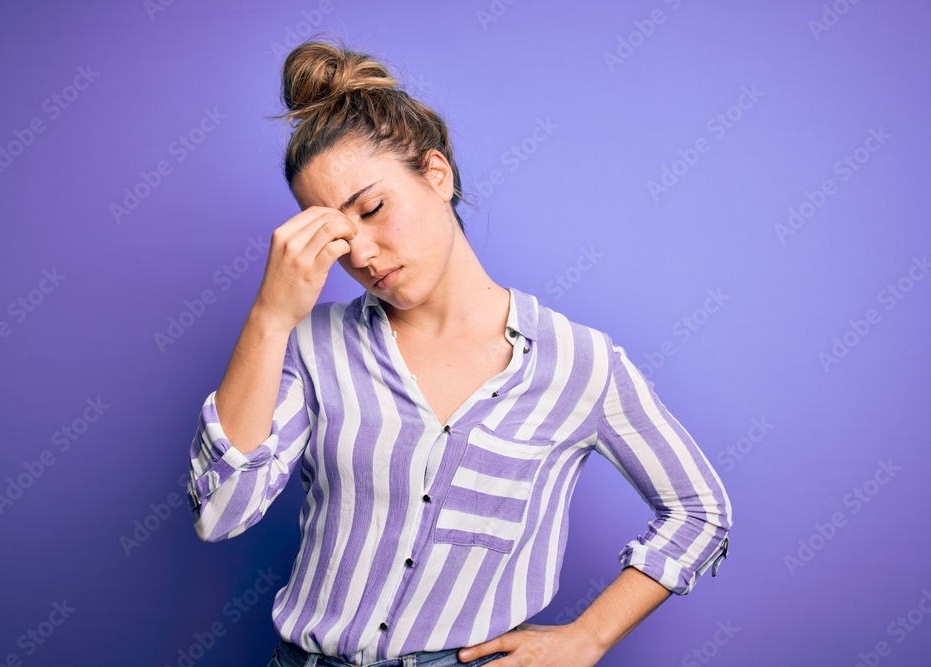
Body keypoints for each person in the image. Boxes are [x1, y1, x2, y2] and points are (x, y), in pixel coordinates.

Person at [186, 36, 733, 667]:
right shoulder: (312, 345)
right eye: (336, 235)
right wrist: (269, 316)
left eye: (373, 208)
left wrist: (589, 637)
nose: (360, 254)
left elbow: (700, 511)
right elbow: (219, 513)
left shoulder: (579, 364)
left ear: (436, 175)